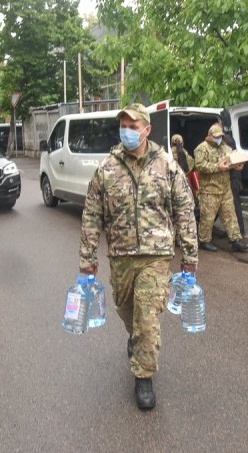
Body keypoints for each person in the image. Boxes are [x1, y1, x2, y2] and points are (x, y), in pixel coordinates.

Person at [79, 103, 198, 411]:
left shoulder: (167, 166)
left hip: (156, 256)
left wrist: (189, 255)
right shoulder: (107, 168)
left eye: (133, 126)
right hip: (119, 256)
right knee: (126, 310)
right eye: (124, 126)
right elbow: (92, 215)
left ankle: (143, 375)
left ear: (147, 130)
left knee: (147, 318)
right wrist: (87, 258)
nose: (127, 131)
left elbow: (184, 210)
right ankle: (136, 341)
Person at [194, 123, 248, 252]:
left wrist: (237, 166)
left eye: (220, 136)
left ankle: (236, 240)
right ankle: (204, 241)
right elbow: (200, 166)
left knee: (230, 215)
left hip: (225, 189)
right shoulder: (202, 148)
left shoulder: (226, 148)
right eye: (216, 136)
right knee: (207, 217)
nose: (219, 139)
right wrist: (217, 167)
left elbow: (232, 161)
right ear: (209, 136)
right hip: (210, 190)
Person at [222, 130, 245, 238]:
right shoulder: (234, 152)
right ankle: (230, 230)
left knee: (235, 206)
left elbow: (238, 166)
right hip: (233, 179)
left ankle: (240, 230)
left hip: (233, 180)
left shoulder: (232, 154)